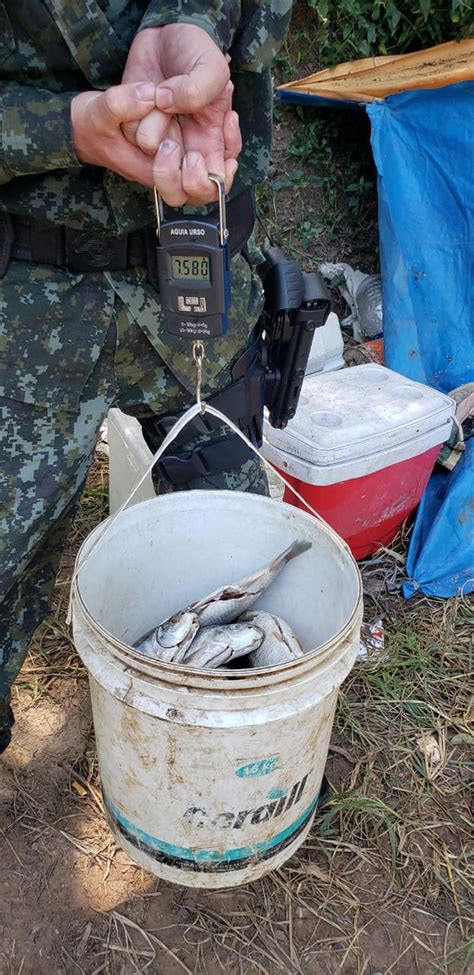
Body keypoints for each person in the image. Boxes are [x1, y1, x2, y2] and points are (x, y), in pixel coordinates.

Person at [0, 0, 293, 754]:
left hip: (202, 295)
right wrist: (61, 127)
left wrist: (188, 21)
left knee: (244, 568)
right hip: (23, 313)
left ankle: (241, 756)